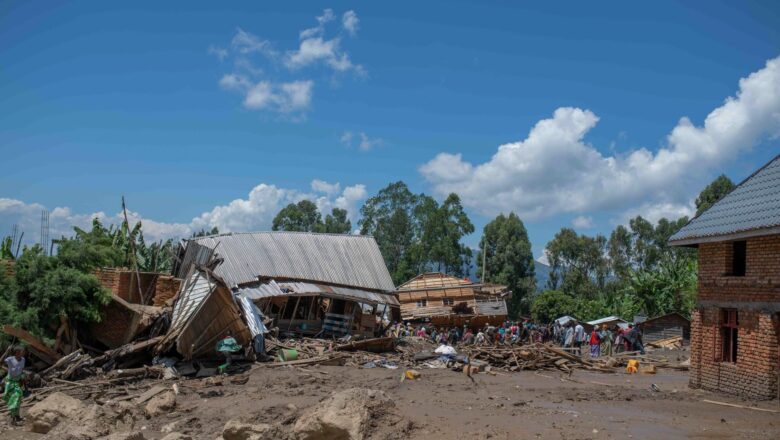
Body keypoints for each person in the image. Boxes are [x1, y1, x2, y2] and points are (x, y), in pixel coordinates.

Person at [3, 346, 26, 424]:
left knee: (18, 398)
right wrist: (6, 352)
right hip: (10, 382)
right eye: (22, 351)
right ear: (16, 352)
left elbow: (22, 370)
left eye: (23, 351)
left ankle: (16, 416)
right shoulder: (10, 359)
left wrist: (23, 381)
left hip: (17, 381)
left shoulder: (23, 360)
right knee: (13, 399)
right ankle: (13, 417)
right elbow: (1, 362)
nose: (23, 353)